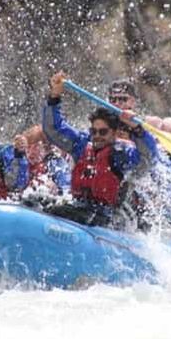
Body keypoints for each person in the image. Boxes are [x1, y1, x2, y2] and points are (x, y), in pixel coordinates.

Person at [41, 71, 158, 228]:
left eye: (103, 132)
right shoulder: (82, 144)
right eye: (94, 131)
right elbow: (53, 129)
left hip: (111, 215)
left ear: (114, 134)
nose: (97, 136)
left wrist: (137, 129)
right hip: (81, 206)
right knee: (39, 201)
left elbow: (148, 159)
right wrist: (54, 97)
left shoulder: (121, 154)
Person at [21, 124, 71, 194]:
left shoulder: (55, 163)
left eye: (35, 147)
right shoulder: (24, 163)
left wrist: (57, 190)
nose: (30, 152)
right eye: (28, 147)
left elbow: (66, 189)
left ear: (47, 148)